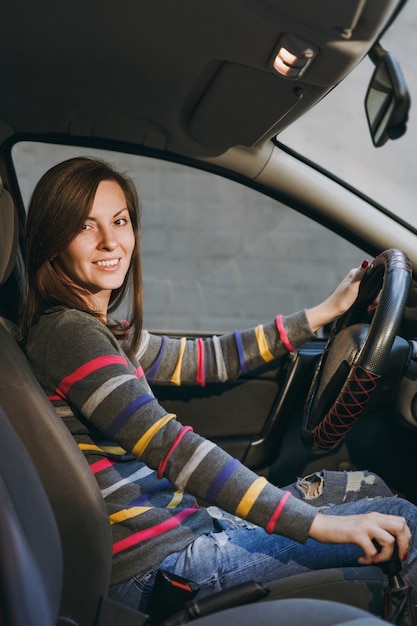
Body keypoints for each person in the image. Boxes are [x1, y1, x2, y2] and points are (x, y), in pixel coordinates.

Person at [20, 156, 417, 613]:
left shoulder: (102, 329)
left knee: (367, 486)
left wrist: (322, 313)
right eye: (85, 226)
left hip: (186, 526)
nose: (111, 241)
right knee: (400, 519)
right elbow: (172, 447)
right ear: (53, 240)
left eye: (120, 220)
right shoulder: (69, 335)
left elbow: (206, 360)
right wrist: (316, 526)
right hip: (160, 570)